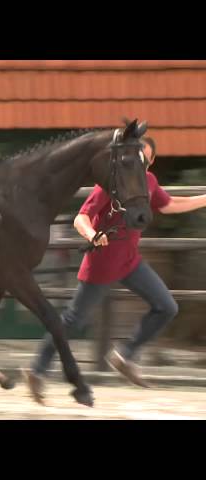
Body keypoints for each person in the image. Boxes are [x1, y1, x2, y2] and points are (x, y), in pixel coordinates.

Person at [25, 137, 206, 400]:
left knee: (166, 306)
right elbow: (81, 218)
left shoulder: (149, 182)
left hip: (130, 262)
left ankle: (125, 356)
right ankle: (37, 371)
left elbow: (169, 204)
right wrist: (91, 235)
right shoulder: (111, 182)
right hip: (103, 263)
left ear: (151, 162)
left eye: (144, 159)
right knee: (73, 320)